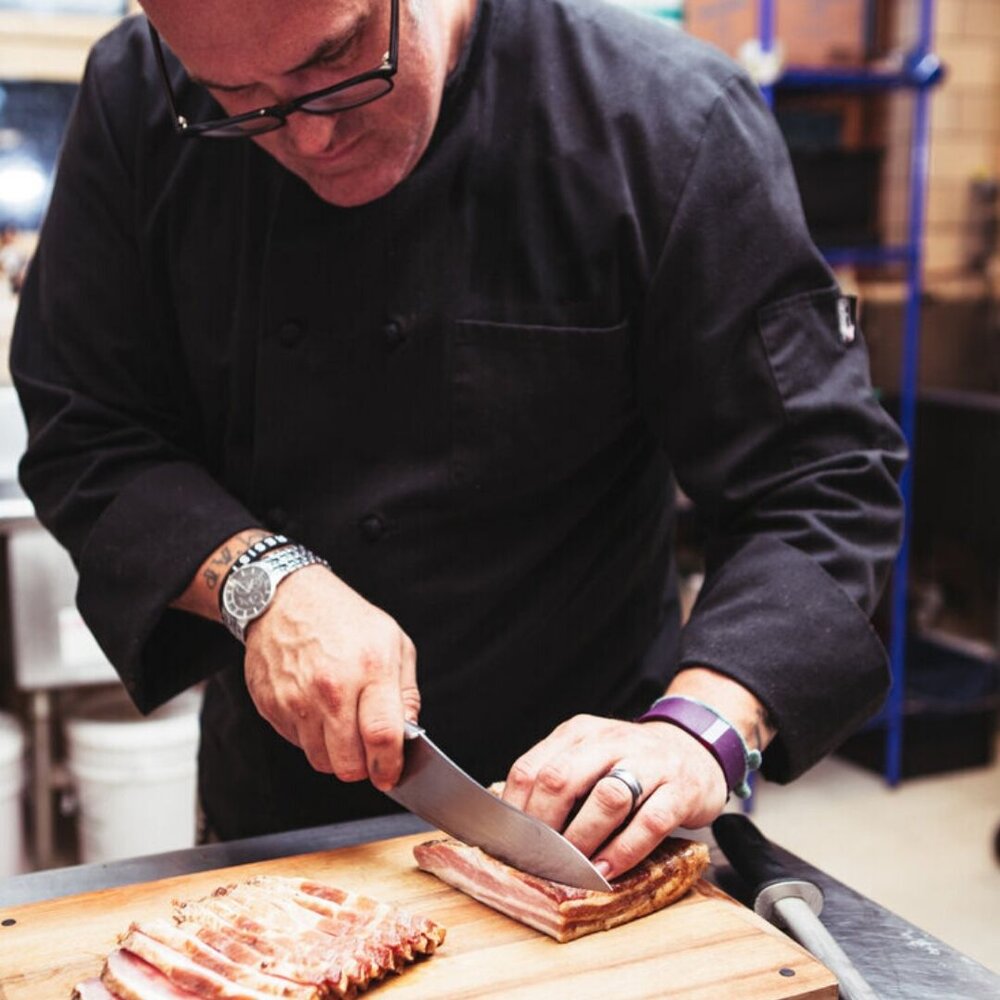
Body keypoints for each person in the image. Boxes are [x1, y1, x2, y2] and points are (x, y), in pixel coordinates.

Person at [10, 0, 906, 880]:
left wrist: (703, 727)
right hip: (273, 818)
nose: (311, 138)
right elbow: (85, 419)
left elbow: (820, 479)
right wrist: (258, 582)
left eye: (336, 61)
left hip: (589, 822)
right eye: (238, 99)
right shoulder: (136, 98)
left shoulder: (661, 118)